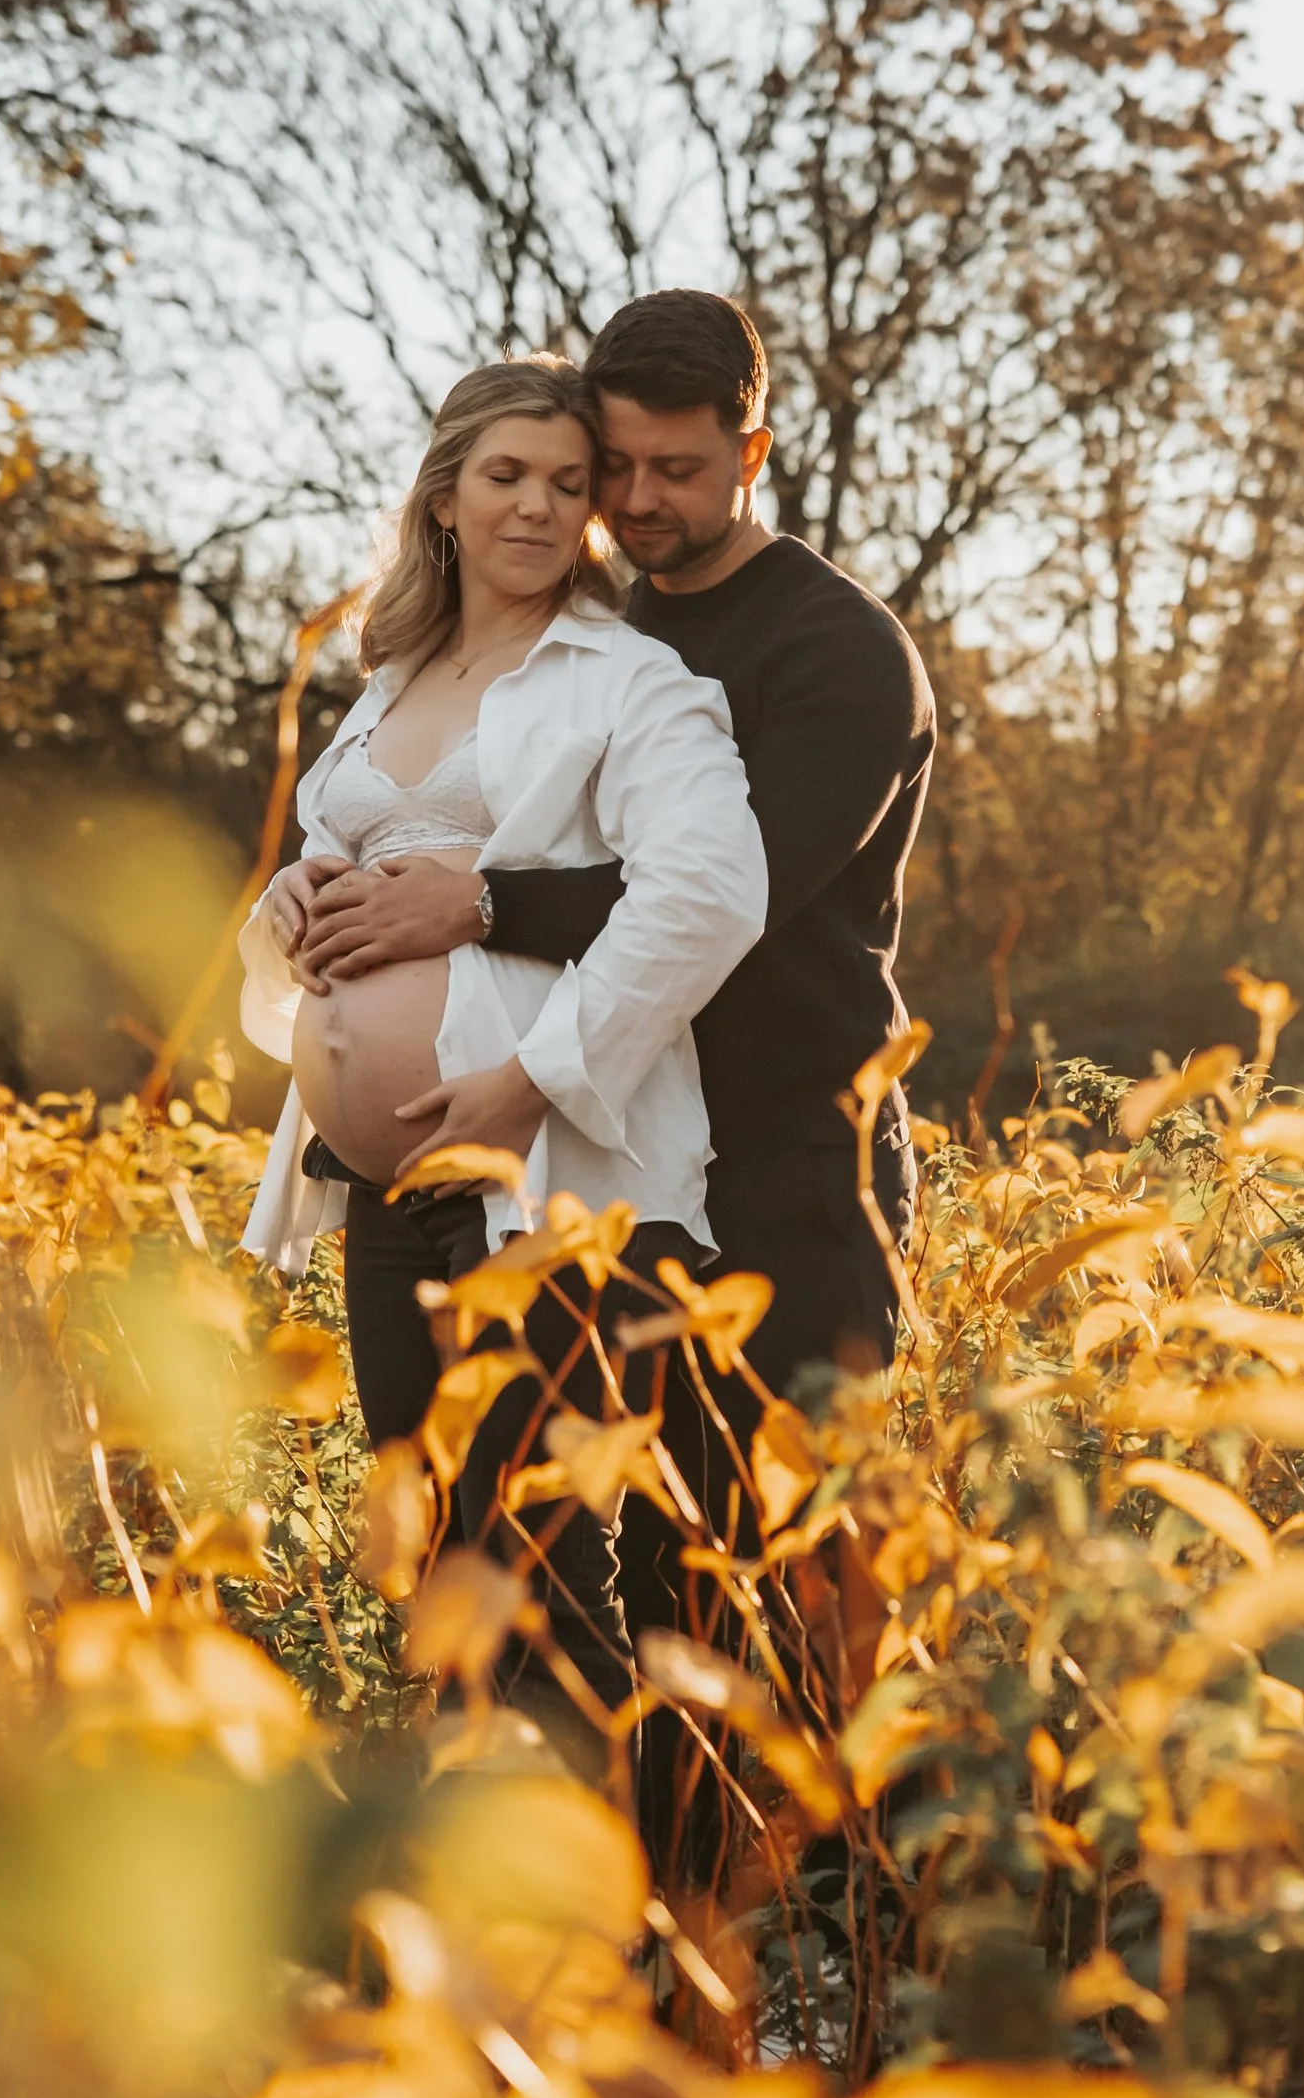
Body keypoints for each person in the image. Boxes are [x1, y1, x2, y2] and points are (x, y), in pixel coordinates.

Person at [293, 291, 937, 1401]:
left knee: (766, 1549)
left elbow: (737, 892)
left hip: (793, 1153)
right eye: (616, 463)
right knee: (622, 1539)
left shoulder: (838, 649)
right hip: (625, 1138)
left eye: (677, 469)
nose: (637, 499)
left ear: (751, 454)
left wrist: (481, 905)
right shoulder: (600, 633)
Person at [238, 356, 766, 1697]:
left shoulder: (627, 678)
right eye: (508, 475)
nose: (540, 506)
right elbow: (330, 865)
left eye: (568, 484)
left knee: (536, 1564)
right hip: (376, 1184)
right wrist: (295, 893)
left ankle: (589, 1904)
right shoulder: (389, 679)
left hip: (544, 1183)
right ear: (447, 497)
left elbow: (711, 890)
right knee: (433, 1559)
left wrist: (532, 1080)